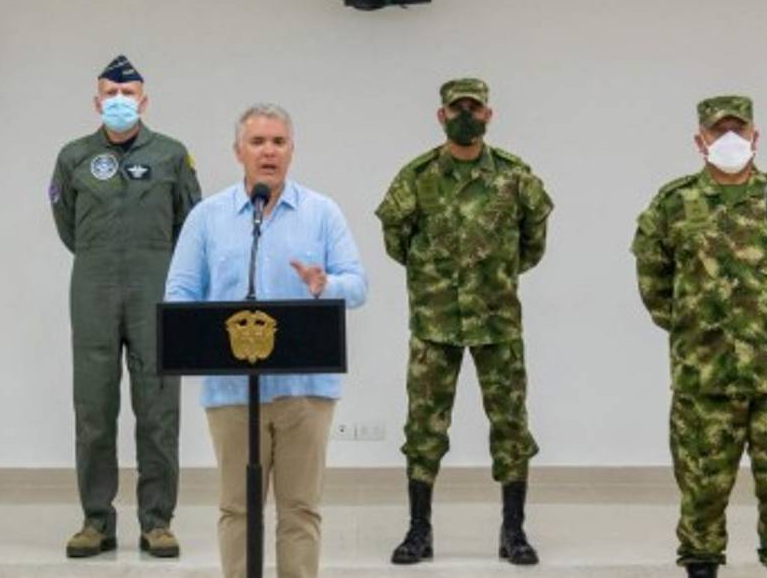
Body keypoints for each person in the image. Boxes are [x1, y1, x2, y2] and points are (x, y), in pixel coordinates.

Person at [164, 103, 367, 578]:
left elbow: (357, 286)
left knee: (300, 509)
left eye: (278, 142)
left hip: (305, 390)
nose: (268, 151)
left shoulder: (322, 213)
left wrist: (325, 285)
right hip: (233, 392)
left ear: (292, 150)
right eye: (257, 142)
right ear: (238, 151)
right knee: (237, 508)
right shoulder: (207, 217)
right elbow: (179, 295)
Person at [633, 95, 767, 578]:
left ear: (756, 137)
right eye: (719, 131)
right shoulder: (674, 204)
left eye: (739, 130)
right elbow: (654, 283)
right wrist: (695, 331)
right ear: (700, 140)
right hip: (705, 379)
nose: (730, 139)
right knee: (701, 493)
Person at [376, 78, 551, 566]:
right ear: (442, 116)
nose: (466, 116)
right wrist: (437, 279)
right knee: (424, 427)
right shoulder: (417, 177)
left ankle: (513, 531)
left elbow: (532, 245)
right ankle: (419, 530)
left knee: (511, 425)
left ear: (489, 115)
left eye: (475, 108)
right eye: (457, 109)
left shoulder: (516, 177)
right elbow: (396, 240)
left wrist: (492, 277)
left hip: (498, 321)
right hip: (435, 323)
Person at [49, 55, 201, 559]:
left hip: (154, 286)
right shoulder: (73, 156)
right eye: (110, 94)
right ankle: (96, 521)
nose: (119, 101)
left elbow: (189, 222)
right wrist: (101, 257)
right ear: (97, 102)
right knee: (93, 410)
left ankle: (157, 522)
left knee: (159, 410)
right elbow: (66, 224)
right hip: (92, 287)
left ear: (144, 101)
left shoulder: (172, 155)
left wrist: (156, 265)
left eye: (128, 94)